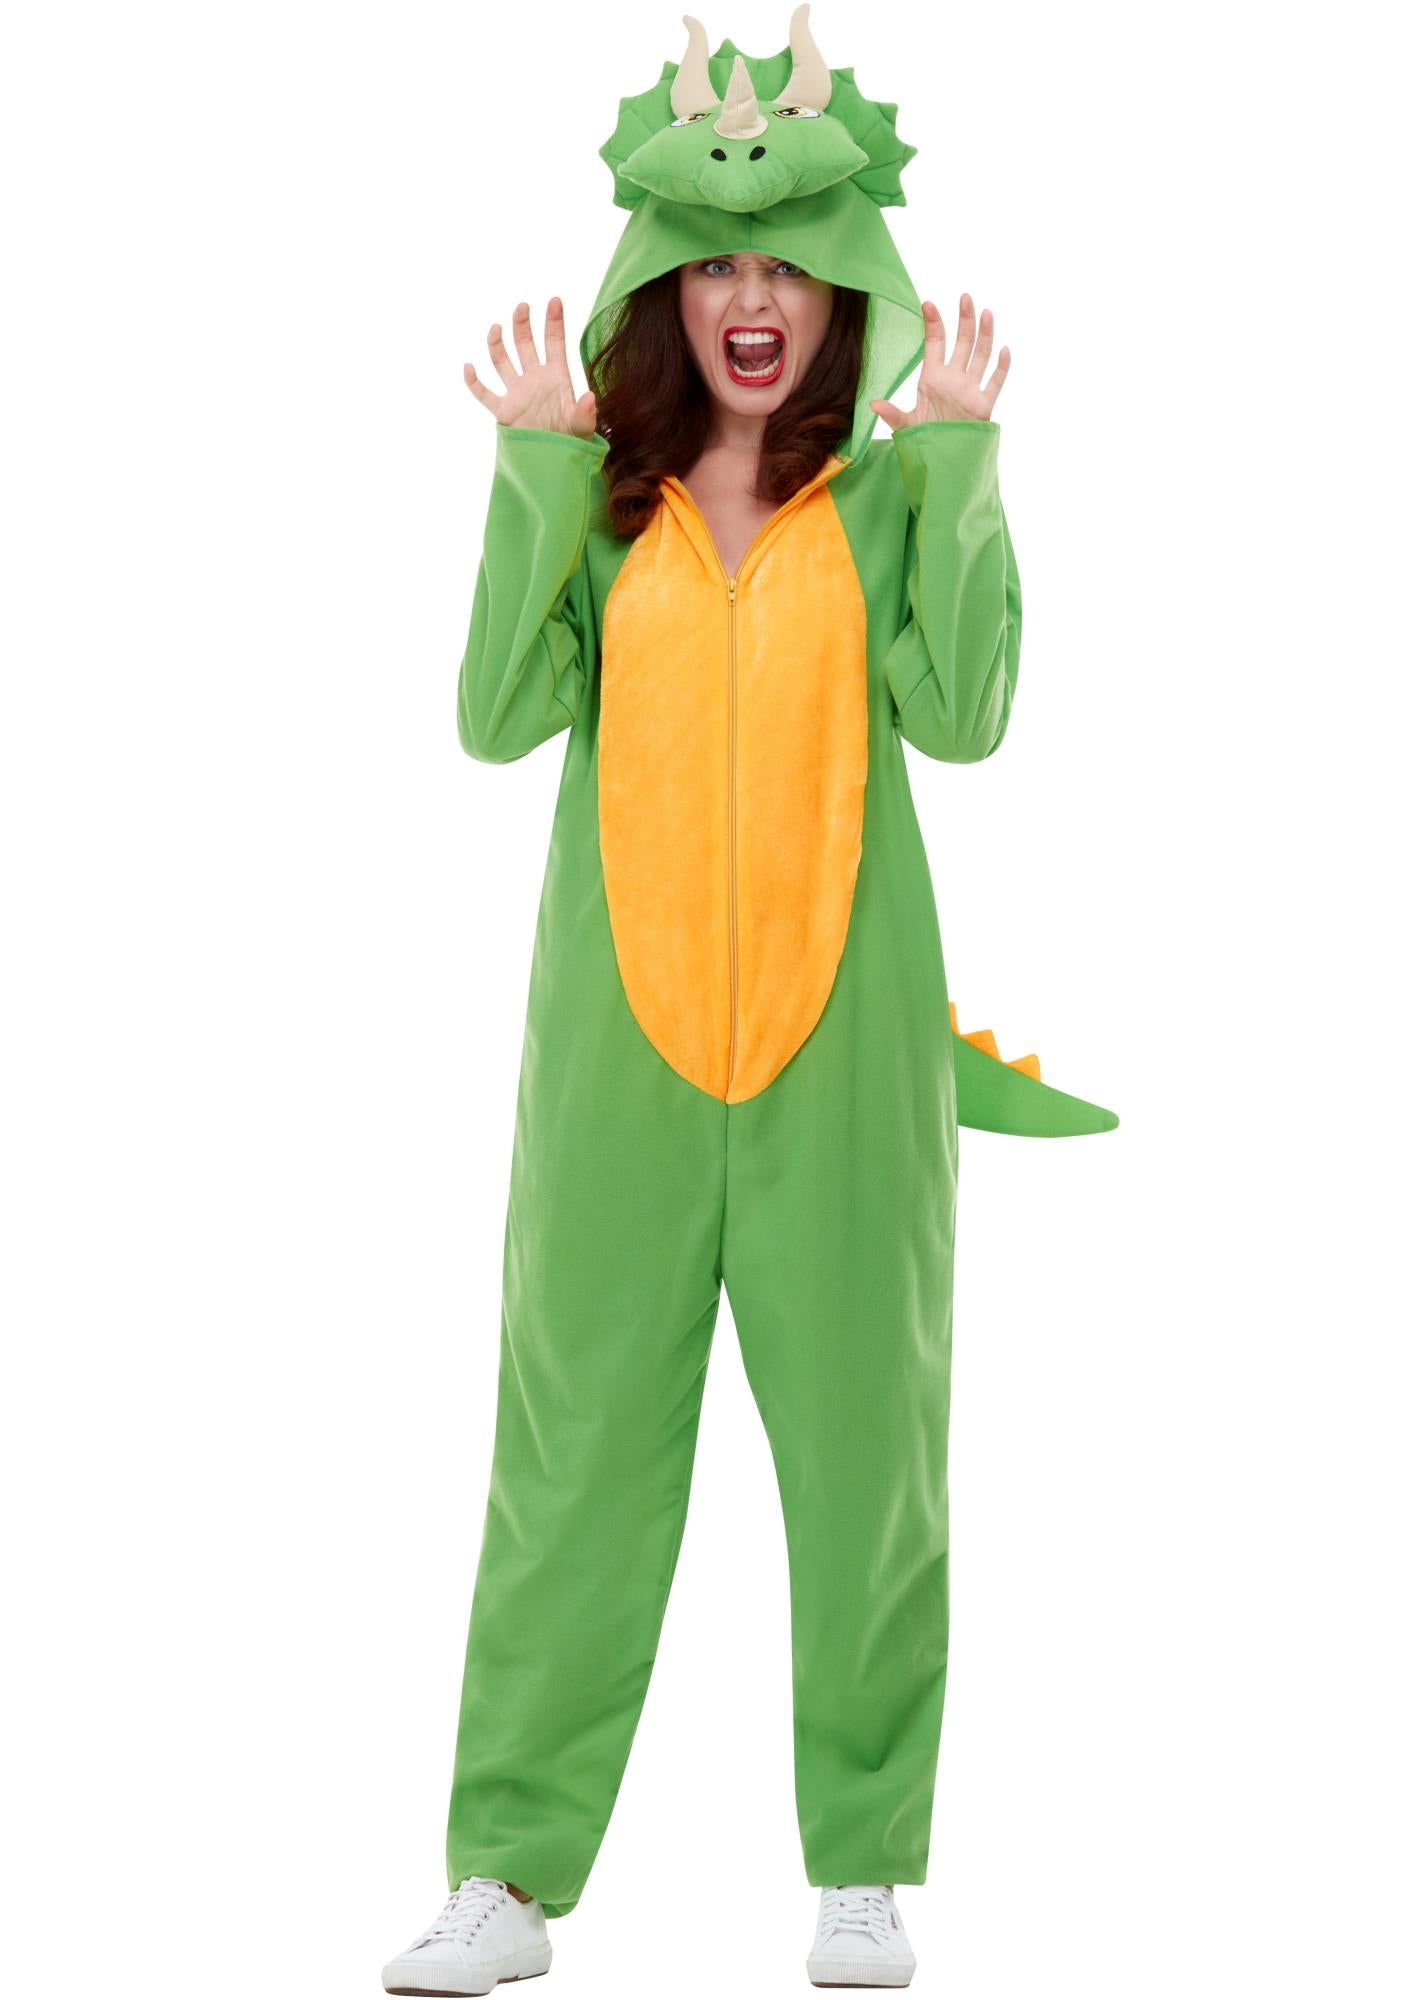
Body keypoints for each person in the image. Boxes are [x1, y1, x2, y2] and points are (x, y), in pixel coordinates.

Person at [382, 11, 1115, 1994]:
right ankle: (506, 1875)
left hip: (843, 1057)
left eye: (786, 258)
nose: (750, 297)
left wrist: (958, 464)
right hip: (614, 1060)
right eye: (712, 261)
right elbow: (494, 717)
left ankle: (863, 1865)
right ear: (662, 283)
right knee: (570, 1460)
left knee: (871, 1459)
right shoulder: (606, 496)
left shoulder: (879, 498)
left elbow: (964, 715)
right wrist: (535, 474)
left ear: (844, 277)